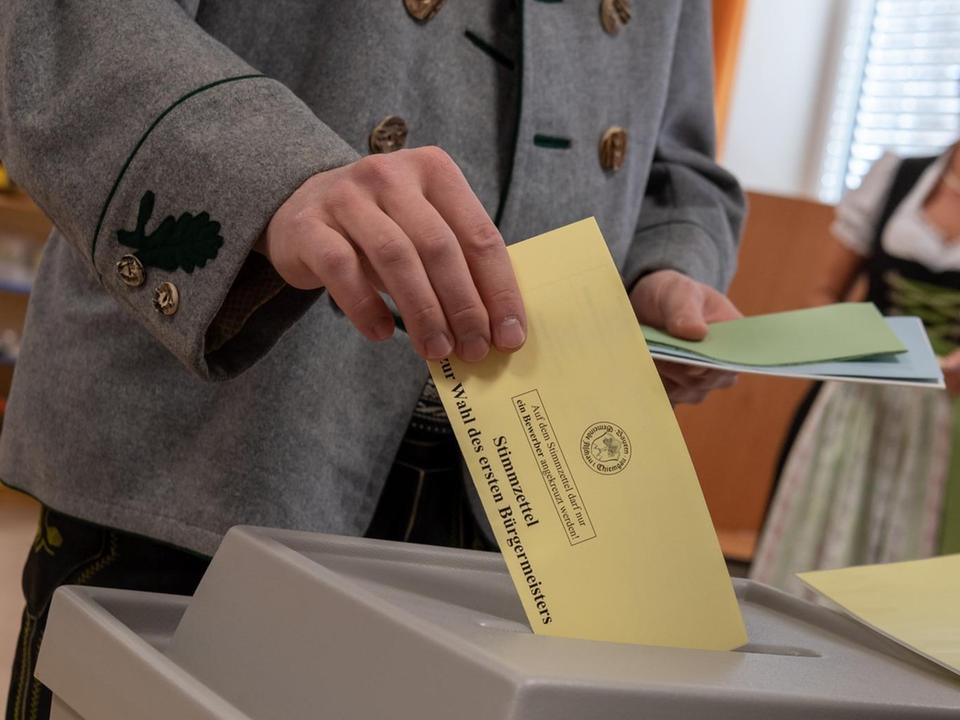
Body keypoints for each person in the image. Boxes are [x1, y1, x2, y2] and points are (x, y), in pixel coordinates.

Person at [0, 3, 742, 717]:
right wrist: (273, 175)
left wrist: (666, 263)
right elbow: (63, 19)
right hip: (214, 454)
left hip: (527, 504)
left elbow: (675, 157)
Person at [750, 7, 960, 597]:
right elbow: (824, 291)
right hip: (858, 411)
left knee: (926, 609)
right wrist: (847, 339)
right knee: (814, 585)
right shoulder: (894, 178)